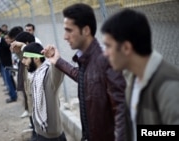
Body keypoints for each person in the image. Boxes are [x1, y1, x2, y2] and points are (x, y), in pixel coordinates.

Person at [42, 3, 126, 141]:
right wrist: (57, 61)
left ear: (86, 30)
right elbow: (82, 77)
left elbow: (123, 115)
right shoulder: (86, 59)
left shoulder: (107, 62)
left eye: (69, 30)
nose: (65, 36)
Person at [101, 9, 179, 141]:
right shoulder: (133, 79)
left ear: (126, 48)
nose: (105, 53)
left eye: (108, 46)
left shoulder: (169, 87)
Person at [21, 42, 66, 141]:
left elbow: (58, 71)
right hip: (40, 132)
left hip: (53, 136)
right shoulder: (35, 75)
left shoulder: (49, 75)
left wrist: (54, 58)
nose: (23, 61)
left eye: (25, 58)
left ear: (36, 58)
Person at [10, 32, 36, 140]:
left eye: (16, 44)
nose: (14, 46)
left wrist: (23, 46)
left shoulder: (35, 58)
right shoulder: (24, 57)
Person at [0, 27, 17, 103]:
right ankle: (12, 94)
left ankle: (13, 96)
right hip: (3, 63)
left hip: (7, 64)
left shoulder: (4, 41)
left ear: (0, 33)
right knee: (8, 80)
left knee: (9, 80)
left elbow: (8, 48)